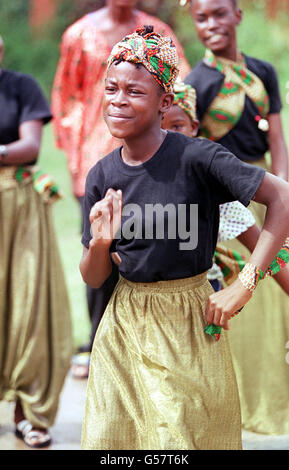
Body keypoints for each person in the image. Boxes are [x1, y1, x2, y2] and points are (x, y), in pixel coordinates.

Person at [79, 26, 289, 450]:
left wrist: (243, 286)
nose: (119, 100)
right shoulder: (102, 174)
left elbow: (281, 198)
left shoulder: (198, 158)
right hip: (124, 325)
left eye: (135, 92)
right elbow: (94, 276)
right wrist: (101, 243)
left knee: (180, 440)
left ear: (165, 102)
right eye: (112, 88)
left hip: (188, 320)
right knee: (116, 442)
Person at [51, 0, 191, 378]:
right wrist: (74, 156)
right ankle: (99, 343)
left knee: (144, 249)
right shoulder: (79, 35)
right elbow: (66, 95)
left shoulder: (156, 33)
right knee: (98, 247)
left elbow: (181, 86)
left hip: (149, 159)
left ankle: (145, 347)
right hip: (95, 158)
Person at [184, 0, 289, 434]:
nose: (211, 25)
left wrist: (282, 188)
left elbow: (277, 137)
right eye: (201, 18)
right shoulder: (196, 83)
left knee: (277, 294)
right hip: (229, 204)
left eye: (220, 14)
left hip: (270, 195)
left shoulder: (263, 71)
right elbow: (195, 151)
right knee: (245, 304)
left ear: (238, 15)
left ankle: (275, 404)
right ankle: (240, 408)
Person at [0, 36, 73, 448]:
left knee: (27, 306)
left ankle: (27, 414)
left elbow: (29, 145)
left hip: (18, 206)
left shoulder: (20, 86)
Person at [162, 80, 289, 294]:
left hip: (200, 295)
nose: (167, 137)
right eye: (157, 128)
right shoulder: (128, 175)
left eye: (177, 126)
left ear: (193, 128)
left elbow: (260, 244)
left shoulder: (207, 186)